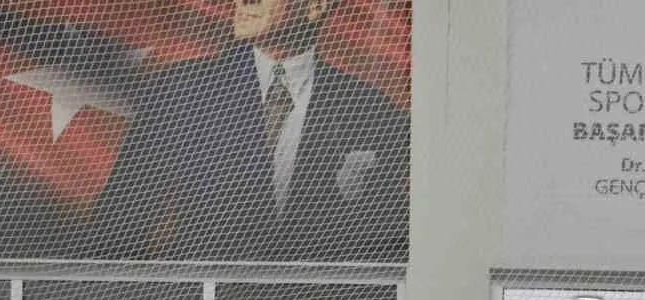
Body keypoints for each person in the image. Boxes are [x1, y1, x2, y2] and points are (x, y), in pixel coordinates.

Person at [95, 0, 409, 262]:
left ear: (316, 6)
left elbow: (386, 242)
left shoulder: (368, 107)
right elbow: (118, 228)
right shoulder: (180, 90)